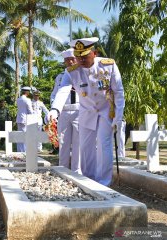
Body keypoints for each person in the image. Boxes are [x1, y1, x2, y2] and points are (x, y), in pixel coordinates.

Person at [47, 37, 125, 186]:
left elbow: (119, 92)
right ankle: (89, 180)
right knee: (85, 147)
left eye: (85, 56)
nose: (81, 60)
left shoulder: (108, 66)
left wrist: (119, 116)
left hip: (105, 111)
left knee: (104, 144)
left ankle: (104, 182)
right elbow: (63, 90)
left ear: (94, 53)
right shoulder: (72, 72)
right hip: (86, 112)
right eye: (78, 57)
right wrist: (55, 110)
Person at [47, 48, 81, 174]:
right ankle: (63, 170)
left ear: (77, 59)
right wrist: (54, 110)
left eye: (72, 59)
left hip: (79, 111)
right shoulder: (61, 77)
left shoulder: (83, 74)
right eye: (67, 60)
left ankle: (77, 171)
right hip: (64, 111)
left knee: (78, 143)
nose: (70, 62)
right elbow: (54, 94)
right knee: (63, 142)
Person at [16, 86, 33, 152]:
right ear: (27, 92)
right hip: (25, 119)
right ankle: (24, 151)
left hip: (19, 119)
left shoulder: (18, 99)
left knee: (20, 135)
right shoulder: (27, 100)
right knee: (25, 136)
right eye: (28, 92)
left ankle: (19, 150)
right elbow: (30, 111)